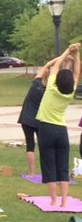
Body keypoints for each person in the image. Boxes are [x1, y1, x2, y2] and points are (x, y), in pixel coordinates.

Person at [36, 43, 80, 207]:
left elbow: (55, 66)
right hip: (62, 131)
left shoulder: (51, 89)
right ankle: (64, 201)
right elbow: (76, 73)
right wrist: (77, 54)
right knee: (62, 165)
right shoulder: (70, 92)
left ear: (57, 80)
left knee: (49, 165)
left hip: (46, 129)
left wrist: (68, 50)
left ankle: (54, 200)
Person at [17, 57, 58, 176]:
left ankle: (31, 173)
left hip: (26, 118)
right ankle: (48, 172)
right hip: (40, 120)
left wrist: (58, 59)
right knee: (44, 146)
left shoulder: (36, 83)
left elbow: (46, 65)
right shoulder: (50, 91)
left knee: (30, 145)